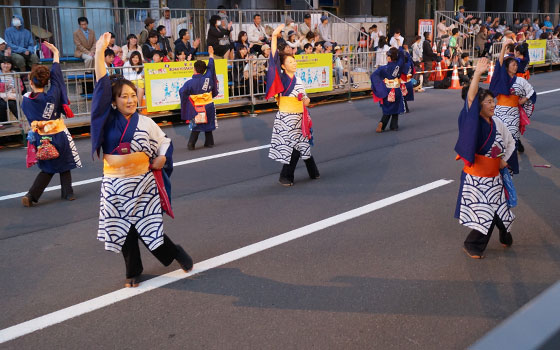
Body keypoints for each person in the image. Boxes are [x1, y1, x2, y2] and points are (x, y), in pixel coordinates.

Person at [91, 32, 193, 288]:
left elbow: (165, 143)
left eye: (133, 95)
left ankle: (175, 252)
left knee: (149, 229)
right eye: (123, 96)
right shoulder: (106, 120)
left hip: (142, 184)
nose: (130, 100)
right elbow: (102, 82)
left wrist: (161, 159)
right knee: (124, 230)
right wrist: (99, 52)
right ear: (112, 102)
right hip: (115, 185)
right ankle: (133, 270)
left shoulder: (146, 122)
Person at [454, 57, 516, 259]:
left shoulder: (496, 123)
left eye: (493, 101)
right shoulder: (474, 121)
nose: (493, 104)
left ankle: (505, 235)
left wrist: (505, 160)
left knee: (500, 209)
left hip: (495, 175)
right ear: (478, 107)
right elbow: (470, 99)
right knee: (485, 213)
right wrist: (478, 74)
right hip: (479, 177)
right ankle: (472, 244)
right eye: (488, 102)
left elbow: (508, 143)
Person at [21, 42, 81, 207]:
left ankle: (32, 195)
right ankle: (68, 193)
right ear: (46, 82)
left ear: (31, 83)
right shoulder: (53, 95)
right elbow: (56, 77)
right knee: (64, 162)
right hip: (58, 135)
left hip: (40, 136)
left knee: (47, 166)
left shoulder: (26, 100)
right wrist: (55, 53)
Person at [265, 24, 319, 186]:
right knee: (294, 146)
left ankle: (313, 171)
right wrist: (274, 37)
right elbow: (273, 59)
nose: (294, 63)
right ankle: (285, 176)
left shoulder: (299, 79)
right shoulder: (281, 78)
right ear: (283, 66)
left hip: (300, 116)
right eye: (290, 61)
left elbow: (306, 98)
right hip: (287, 117)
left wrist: (306, 101)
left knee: (303, 143)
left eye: (294, 61)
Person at [490, 39, 536, 163]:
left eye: (516, 65)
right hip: (500, 111)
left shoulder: (520, 80)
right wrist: (504, 46)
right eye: (513, 65)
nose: (515, 67)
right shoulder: (501, 78)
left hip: (513, 113)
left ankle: (509, 162)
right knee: (498, 136)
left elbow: (532, 92)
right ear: (506, 67)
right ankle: (496, 160)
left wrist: (524, 100)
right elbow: (499, 64)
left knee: (512, 138)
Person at [179, 45, 219, 150]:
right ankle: (209, 143)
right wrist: (211, 54)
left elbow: (182, 92)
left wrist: (187, 100)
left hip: (197, 106)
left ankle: (191, 144)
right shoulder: (208, 77)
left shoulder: (190, 83)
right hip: (209, 105)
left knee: (197, 125)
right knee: (209, 123)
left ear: (195, 69)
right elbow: (211, 66)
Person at [370, 47, 406, 132]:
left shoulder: (383, 68)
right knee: (396, 107)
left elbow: (373, 76)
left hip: (387, 90)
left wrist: (379, 86)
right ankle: (394, 126)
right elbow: (402, 56)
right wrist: (399, 48)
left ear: (389, 57)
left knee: (387, 107)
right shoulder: (399, 65)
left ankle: (382, 123)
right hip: (396, 89)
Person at [0, 57, 22, 128]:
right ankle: (2, 123)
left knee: (12, 103)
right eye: (4, 63)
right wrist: (4, 85)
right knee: (2, 105)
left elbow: (21, 86)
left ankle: (21, 121)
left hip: (11, 95)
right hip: (1, 95)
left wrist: (16, 89)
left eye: (8, 63)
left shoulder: (15, 74)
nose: (6, 66)